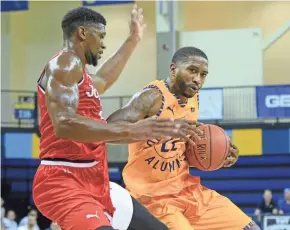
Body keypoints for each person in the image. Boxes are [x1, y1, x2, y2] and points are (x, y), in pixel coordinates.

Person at [32, 6, 200, 230]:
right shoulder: (64, 63)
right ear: (83, 33)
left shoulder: (81, 77)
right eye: (101, 36)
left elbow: (102, 79)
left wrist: (133, 40)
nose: (103, 44)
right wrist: (133, 130)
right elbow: (64, 124)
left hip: (96, 179)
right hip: (63, 178)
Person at [107, 46, 261, 230]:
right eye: (192, 71)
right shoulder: (151, 97)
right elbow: (106, 131)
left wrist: (216, 158)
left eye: (203, 74)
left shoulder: (193, 99)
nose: (198, 79)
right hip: (152, 197)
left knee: (250, 228)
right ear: (173, 70)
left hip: (187, 190)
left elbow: (178, 153)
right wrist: (160, 129)